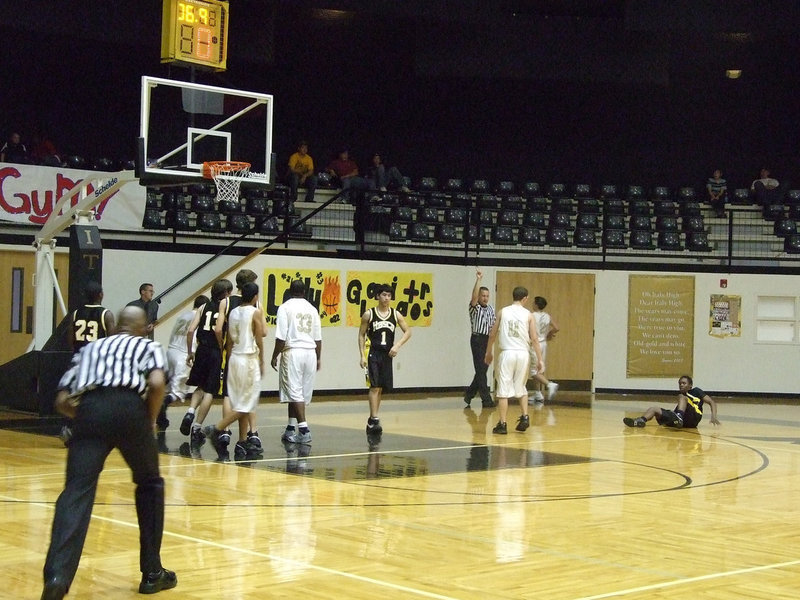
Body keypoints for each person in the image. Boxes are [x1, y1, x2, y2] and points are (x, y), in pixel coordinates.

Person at [41, 306, 176, 599]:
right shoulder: (148, 346)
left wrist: (88, 417)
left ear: (116, 327)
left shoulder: (91, 349)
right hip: (131, 410)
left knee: (76, 491)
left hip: (90, 410)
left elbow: (62, 400)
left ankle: (57, 577)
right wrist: (149, 420)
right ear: (143, 328)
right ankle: (152, 572)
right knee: (150, 482)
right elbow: (156, 383)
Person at [204, 282, 266, 459]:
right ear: (255, 296)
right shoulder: (255, 312)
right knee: (248, 403)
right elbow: (260, 337)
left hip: (234, 358)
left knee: (240, 401)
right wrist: (262, 361)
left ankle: (242, 442)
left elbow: (229, 340)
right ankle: (217, 428)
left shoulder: (233, 312)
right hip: (248, 359)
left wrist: (229, 358)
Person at [484, 286, 543, 434]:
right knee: (521, 387)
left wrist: (489, 352)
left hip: (507, 353)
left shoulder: (502, 312)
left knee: (503, 390)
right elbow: (534, 338)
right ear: (525, 298)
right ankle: (525, 417)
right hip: (523, 354)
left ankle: (503, 424)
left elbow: (492, 334)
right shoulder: (529, 315)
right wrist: (540, 359)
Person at [180, 279, 232, 446]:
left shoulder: (203, 307)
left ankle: (190, 411)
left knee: (200, 386)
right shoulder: (226, 308)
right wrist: (222, 347)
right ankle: (197, 427)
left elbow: (190, 331)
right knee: (210, 390)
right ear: (226, 293)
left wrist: (190, 352)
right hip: (216, 351)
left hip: (201, 349)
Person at [271, 279, 322, 445]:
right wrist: (318, 357)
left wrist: (274, 355)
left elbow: (281, 337)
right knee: (299, 392)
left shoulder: (285, 307)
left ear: (289, 291)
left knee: (294, 391)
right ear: (305, 292)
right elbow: (318, 338)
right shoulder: (312, 309)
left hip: (293, 351)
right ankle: (290, 428)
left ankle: (304, 430)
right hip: (310, 352)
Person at [358, 283, 411, 436]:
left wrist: (397, 345)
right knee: (374, 386)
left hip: (387, 355)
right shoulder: (369, 314)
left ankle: (373, 418)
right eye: (384, 295)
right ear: (377, 296)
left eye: (389, 295)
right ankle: (374, 418)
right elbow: (361, 334)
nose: (386, 298)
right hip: (373, 353)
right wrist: (362, 355)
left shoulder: (395, 314)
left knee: (381, 387)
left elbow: (408, 331)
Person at [623, 374, 720, 428]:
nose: (681, 385)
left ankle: (679, 417)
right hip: (681, 421)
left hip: (693, 418)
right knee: (654, 409)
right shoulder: (682, 399)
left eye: (684, 383)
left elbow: (712, 402)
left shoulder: (696, 391)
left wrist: (714, 417)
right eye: (680, 383)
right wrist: (666, 417)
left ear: (690, 385)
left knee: (682, 397)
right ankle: (639, 421)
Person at [165, 294, 208, 404]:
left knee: (168, 387)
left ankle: (160, 411)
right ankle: (163, 405)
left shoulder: (183, 315)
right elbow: (193, 335)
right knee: (178, 392)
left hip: (171, 351)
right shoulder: (199, 318)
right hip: (184, 354)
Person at [464, 270, 496, 408]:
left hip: (487, 340)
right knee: (481, 370)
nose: (485, 298)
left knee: (483, 369)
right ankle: (486, 399)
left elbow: (494, 325)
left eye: (487, 296)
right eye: (483, 295)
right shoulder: (474, 307)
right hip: (477, 339)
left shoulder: (491, 309)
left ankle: (469, 394)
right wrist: (479, 279)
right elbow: (473, 297)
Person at [528, 296, 559, 405]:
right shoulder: (547, 316)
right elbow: (556, 327)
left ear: (536, 305)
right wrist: (549, 334)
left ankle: (550, 385)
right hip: (544, 343)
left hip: (534, 344)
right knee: (539, 369)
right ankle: (538, 393)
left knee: (533, 371)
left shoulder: (531, 315)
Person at [68, 281, 114, 353]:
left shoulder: (75, 313)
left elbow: (70, 341)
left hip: (79, 355)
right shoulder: (106, 314)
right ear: (101, 295)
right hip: (98, 356)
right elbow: (112, 341)